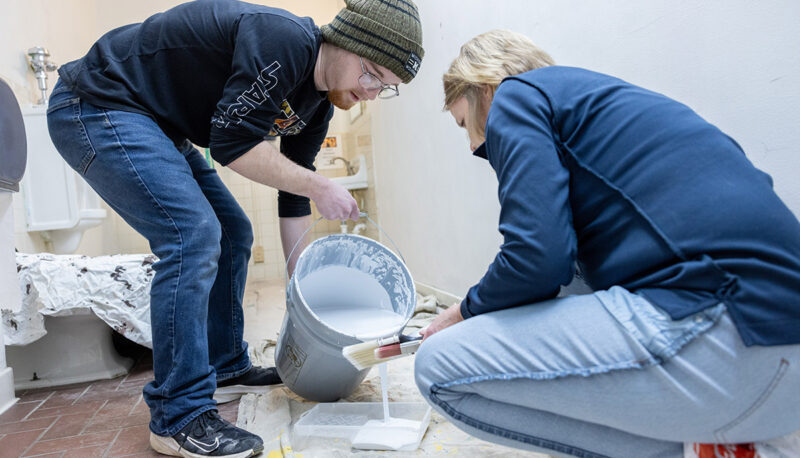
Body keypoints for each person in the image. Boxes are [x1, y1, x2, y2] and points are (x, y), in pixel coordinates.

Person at [46, 0, 423, 456]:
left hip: (158, 125)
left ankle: (225, 366)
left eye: (386, 87)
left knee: (232, 232)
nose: (371, 92)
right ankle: (177, 415)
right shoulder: (283, 39)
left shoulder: (317, 105)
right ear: (346, 41)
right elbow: (231, 145)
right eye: (371, 74)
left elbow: (293, 193)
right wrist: (322, 184)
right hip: (97, 103)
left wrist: (300, 291)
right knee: (193, 234)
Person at [415, 29, 800, 458]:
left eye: (465, 123)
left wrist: (464, 310)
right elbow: (560, 274)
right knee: (576, 281)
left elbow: (536, 259)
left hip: (735, 339)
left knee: (437, 366)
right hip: (779, 342)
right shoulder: (604, 105)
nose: (473, 144)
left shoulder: (514, 96)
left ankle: (702, 447)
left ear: (484, 87)